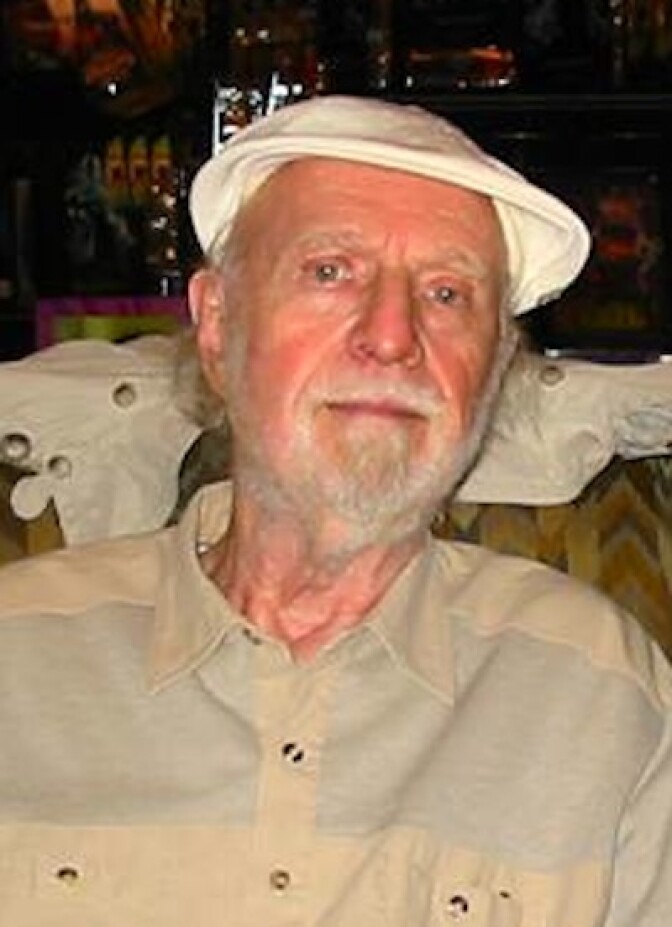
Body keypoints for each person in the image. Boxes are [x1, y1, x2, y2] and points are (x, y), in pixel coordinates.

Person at [0, 95, 669, 926]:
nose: (391, 335)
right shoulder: (17, 655)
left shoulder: (601, 694)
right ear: (217, 326)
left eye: (448, 293)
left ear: (494, 366)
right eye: (330, 271)